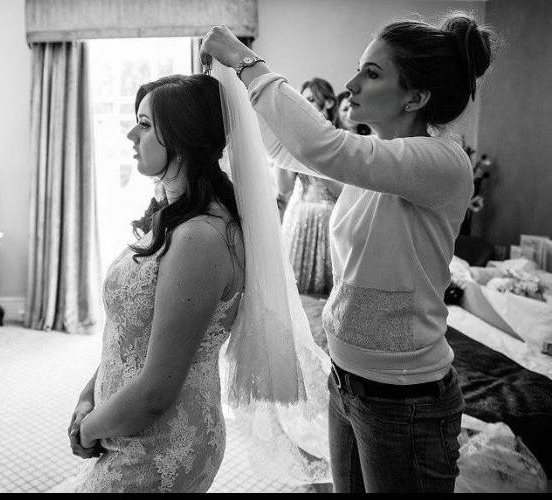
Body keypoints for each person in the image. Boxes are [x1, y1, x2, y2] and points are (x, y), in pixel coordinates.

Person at [202, 11, 494, 493]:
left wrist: (247, 60)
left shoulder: (442, 161)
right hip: (348, 382)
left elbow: (321, 147)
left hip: (406, 400)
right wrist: (232, 84)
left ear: (416, 97)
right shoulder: (376, 162)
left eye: (372, 73)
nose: (352, 83)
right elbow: (286, 149)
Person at [66, 74, 246, 492]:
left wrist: (89, 429)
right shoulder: (176, 215)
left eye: (145, 124)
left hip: (161, 443)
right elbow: (131, 336)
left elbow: (156, 391)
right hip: (125, 422)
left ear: (182, 137)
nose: (131, 133)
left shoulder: (201, 237)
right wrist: (89, 394)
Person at [276, 78, 342, 296]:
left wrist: (314, 160)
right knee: (297, 292)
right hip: (299, 217)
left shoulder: (341, 140)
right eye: (303, 101)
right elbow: (284, 188)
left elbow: (344, 192)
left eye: (312, 100)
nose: (306, 107)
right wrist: (282, 153)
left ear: (329, 103)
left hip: (329, 218)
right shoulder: (296, 139)